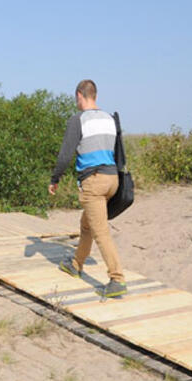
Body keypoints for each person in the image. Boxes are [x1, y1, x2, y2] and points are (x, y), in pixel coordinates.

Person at [48, 79, 127, 298]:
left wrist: (55, 179)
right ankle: (75, 264)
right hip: (112, 180)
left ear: (79, 96)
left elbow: (65, 154)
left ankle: (117, 279)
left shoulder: (78, 120)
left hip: (93, 181)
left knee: (100, 231)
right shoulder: (109, 119)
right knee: (86, 225)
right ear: (96, 96)